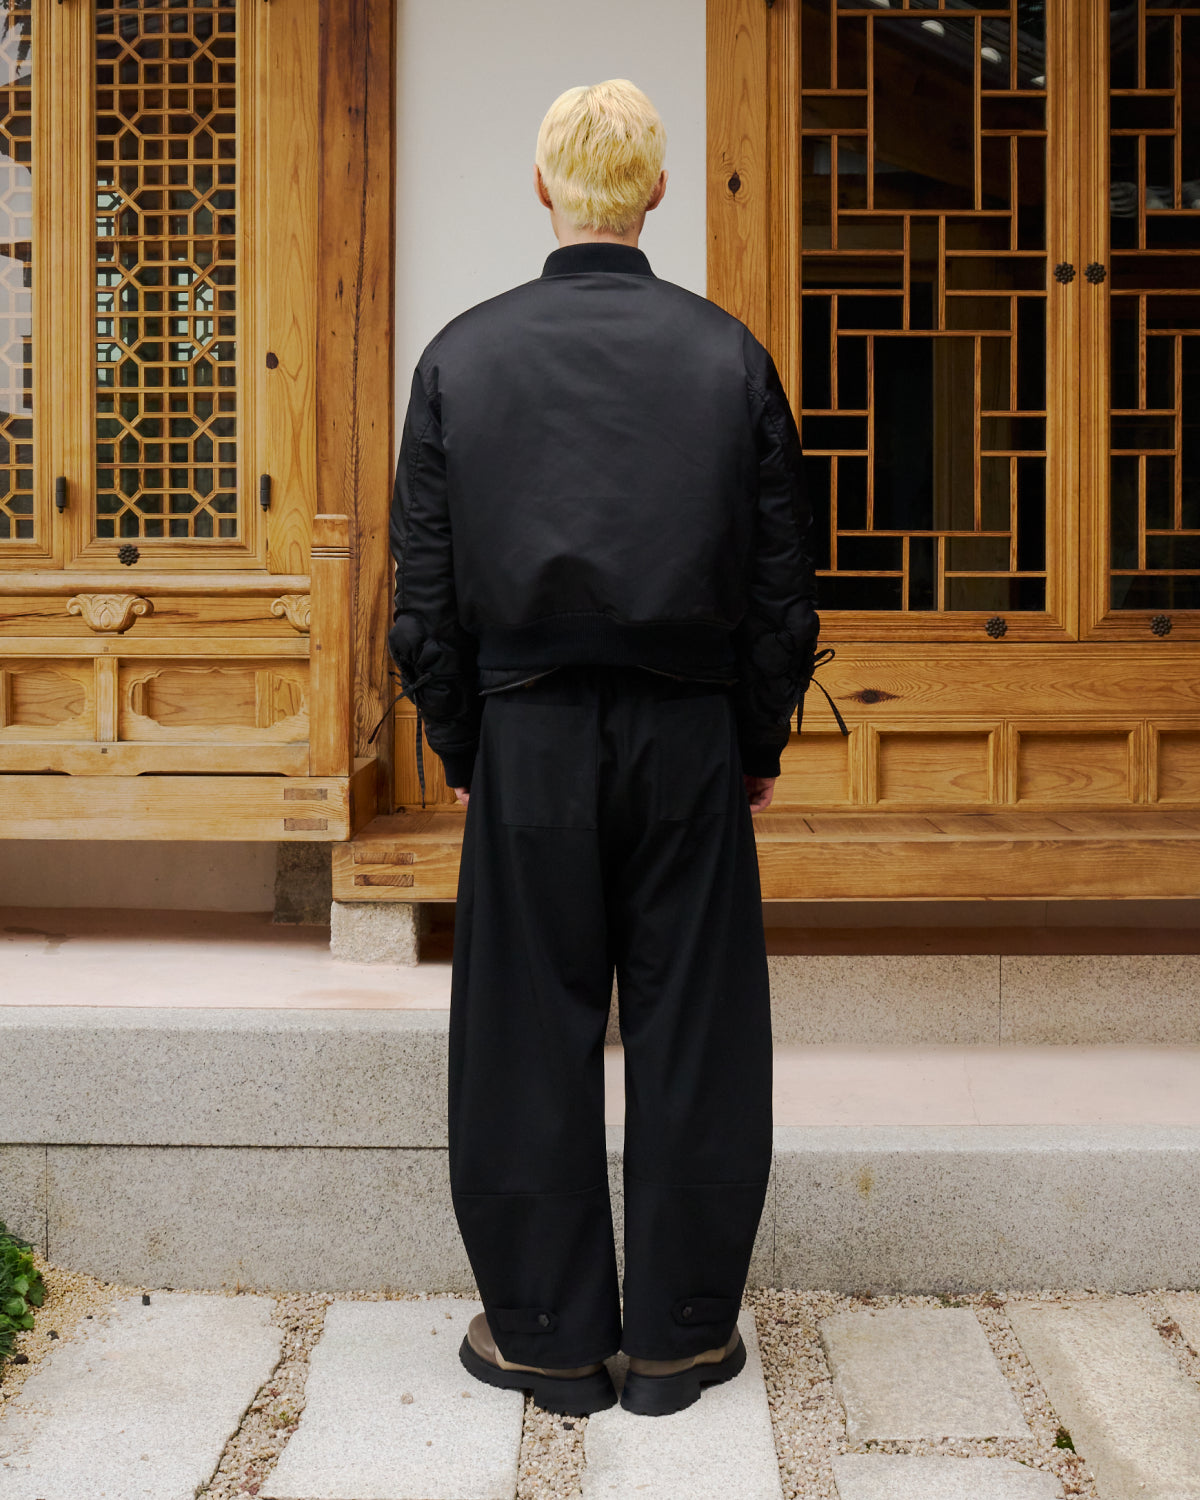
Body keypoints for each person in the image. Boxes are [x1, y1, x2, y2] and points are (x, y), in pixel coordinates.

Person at [388, 79, 820, 1418]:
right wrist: (756, 741)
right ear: (657, 193)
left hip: (528, 730)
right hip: (689, 731)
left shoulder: (461, 359)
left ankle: (545, 1337)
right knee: (697, 1027)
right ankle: (682, 1337)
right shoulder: (728, 357)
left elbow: (422, 601)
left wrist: (469, 748)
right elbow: (780, 591)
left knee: (527, 1030)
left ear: (542, 190)